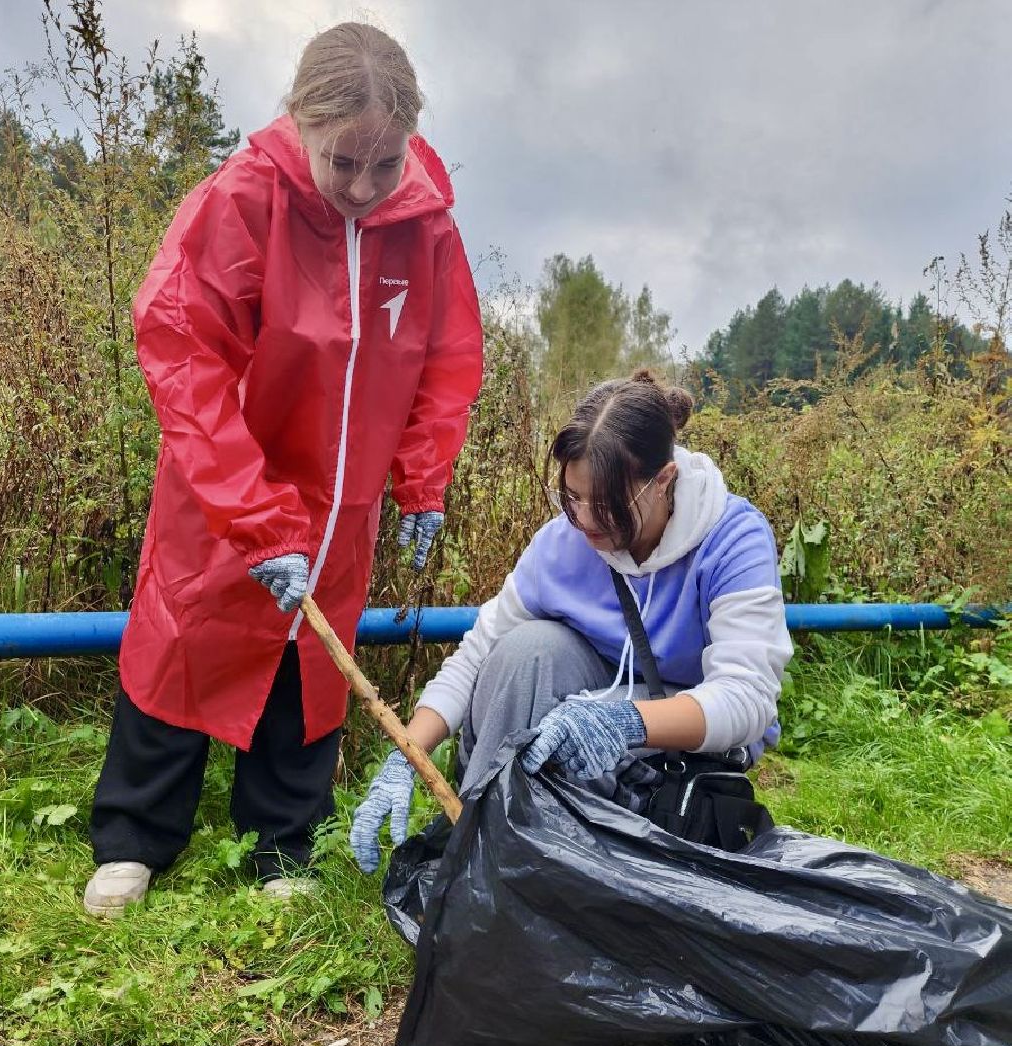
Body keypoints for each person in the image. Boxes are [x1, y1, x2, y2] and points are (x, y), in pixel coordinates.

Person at [84, 22, 483, 916]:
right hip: (226, 484)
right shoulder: (243, 199)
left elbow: (446, 359)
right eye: (343, 161)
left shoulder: (425, 230)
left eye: (385, 166)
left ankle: (279, 843)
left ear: (411, 142)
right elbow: (183, 350)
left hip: (344, 501)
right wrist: (252, 513)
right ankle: (136, 839)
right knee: (189, 638)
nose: (363, 188)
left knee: (311, 666)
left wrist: (422, 479)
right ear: (300, 122)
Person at [350, 370, 793, 873]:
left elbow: (748, 698)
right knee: (528, 648)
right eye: (572, 498)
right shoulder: (562, 543)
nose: (583, 521)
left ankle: (578, 862)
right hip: (585, 709)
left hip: (682, 744)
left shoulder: (733, 538)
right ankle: (490, 854)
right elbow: (476, 657)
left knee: (579, 712)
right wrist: (409, 754)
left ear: (664, 479)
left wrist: (624, 721)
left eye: (605, 506)